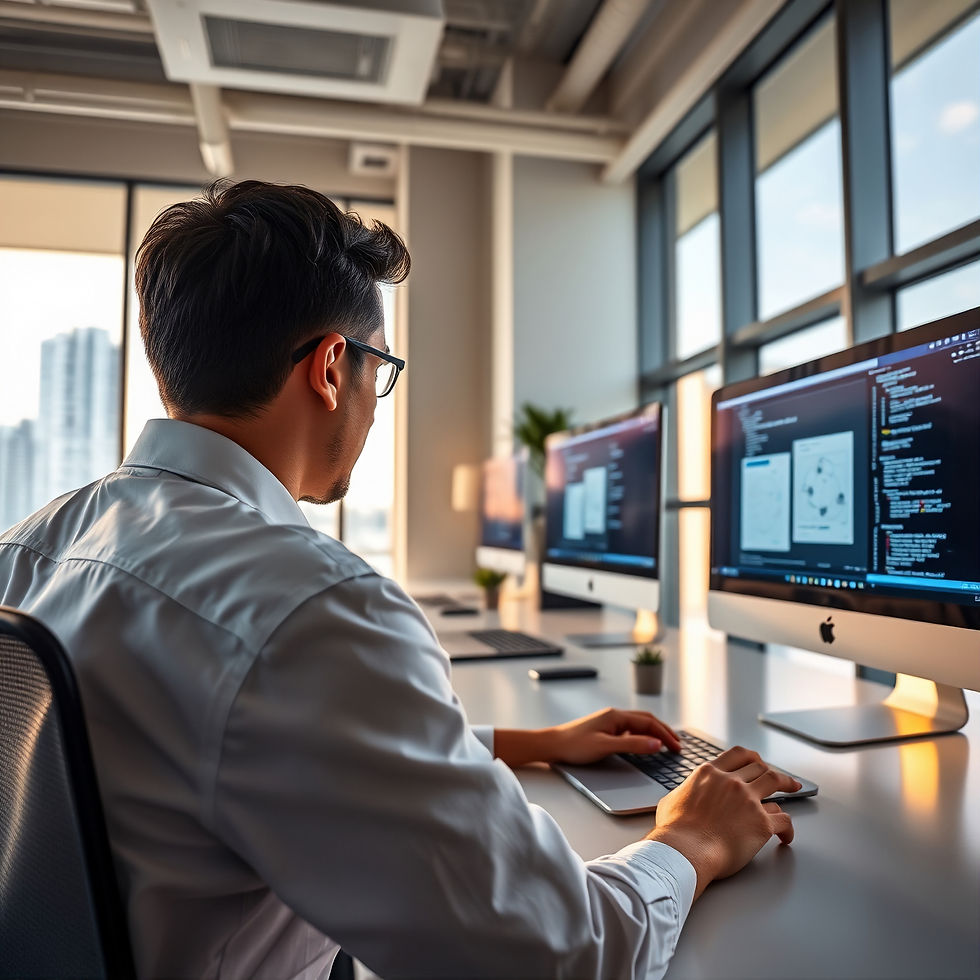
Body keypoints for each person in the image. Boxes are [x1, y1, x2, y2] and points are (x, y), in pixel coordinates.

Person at [0, 180, 800, 980]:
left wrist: (528, 744)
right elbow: (567, 956)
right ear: (330, 367)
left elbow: (238, 742)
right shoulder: (308, 611)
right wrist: (688, 840)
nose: (375, 407)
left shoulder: (28, 548)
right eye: (378, 369)